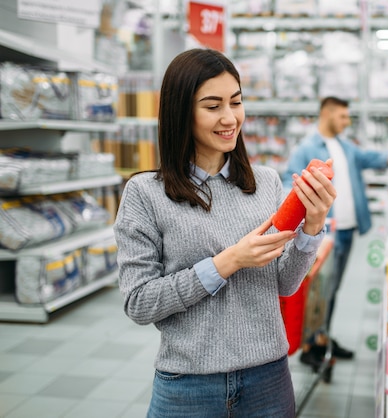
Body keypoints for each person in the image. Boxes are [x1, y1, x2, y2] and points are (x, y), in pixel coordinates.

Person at [113, 48, 336, 418]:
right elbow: (139, 302)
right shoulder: (145, 194)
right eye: (212, 106)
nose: (230, 117)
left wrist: (312, 226)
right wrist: (228, 261)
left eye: (236, 102)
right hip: (188, 385)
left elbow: (285, 283)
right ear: (181, 111)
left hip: (268, 379)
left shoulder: (264, 183)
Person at [284, 96, 388, 366]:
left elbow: (377, 158)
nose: (347, 122)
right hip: (323, 234)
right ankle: (313, 344)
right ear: (327, 114)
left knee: (332, 289)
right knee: (319, 289)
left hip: (345, 230)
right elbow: (291, 187)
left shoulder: (345, 147)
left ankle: (323, 337)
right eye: (343, 116)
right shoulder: (307, 148)